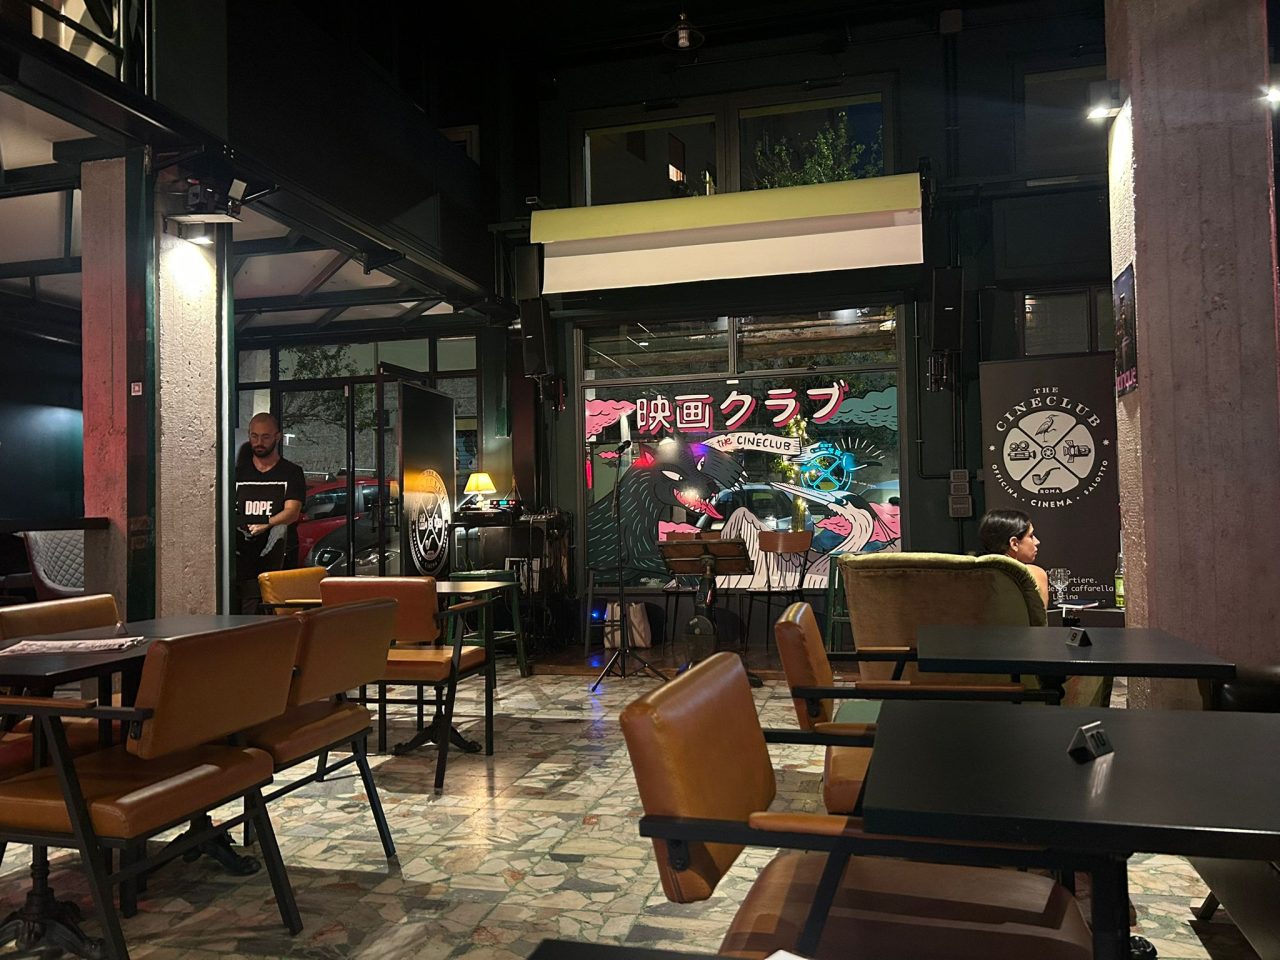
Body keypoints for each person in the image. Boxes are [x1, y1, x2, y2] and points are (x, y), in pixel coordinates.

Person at [235, 412, 306, 614]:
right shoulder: (238, 473)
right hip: (244, 558)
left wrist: (268, 523)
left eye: (265, 437)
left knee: (278, 612)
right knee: (247, 612)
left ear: (278, 437)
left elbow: (292, 512)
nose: (259, 442)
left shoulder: (291, 472)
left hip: (278, 556)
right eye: (254, 436)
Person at [978, 508, 1049, 608]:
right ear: (1014, 544)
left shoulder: (972, 576)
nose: (1037, 542)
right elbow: (1040, 616)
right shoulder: (1035, 574)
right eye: (1031, 536)